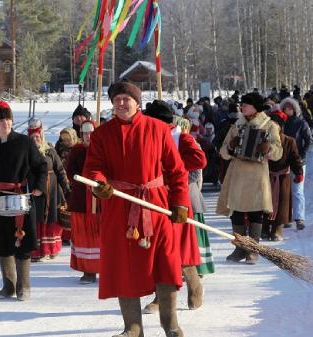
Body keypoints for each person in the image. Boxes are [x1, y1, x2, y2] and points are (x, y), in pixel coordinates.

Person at [84, 82, 189, 337]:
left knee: (165, 265)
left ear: (137, 102)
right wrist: (100, 185)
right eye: (117, 99)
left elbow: (176, 171)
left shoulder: (159, 129)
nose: (121, 103)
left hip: (156, 206)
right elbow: (93, 169)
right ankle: (132, 327)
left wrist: (180, 203)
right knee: (124, 267)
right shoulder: (101, 134)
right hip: (119, 207)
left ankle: (170, 323)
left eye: (126, 99)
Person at [0, 101, 47, 301]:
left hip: (20, 197)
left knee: (21, 242)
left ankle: (24, 287)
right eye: (1, 120)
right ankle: (8, 286)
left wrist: (39, 186)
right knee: (2, 244)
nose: (6, 123)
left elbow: (40, 165)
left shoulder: (24, 142)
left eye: (8, 119)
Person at [142, 100, 208, 314]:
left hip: (176, 197)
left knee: (178, 248)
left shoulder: (180, 137)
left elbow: (200, 160)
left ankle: (194, 286)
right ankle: (161, 296)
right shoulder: (146, 136)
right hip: (154, 197)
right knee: (159, 249)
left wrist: (173, 165)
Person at [216, 92, 283, 264]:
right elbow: (223, 152)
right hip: (237, 173)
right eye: (242, 104)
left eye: (245, 104)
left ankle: (253, 250)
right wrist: (230, 147)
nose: (242, 107)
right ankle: (239, 249)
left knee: (255, 212)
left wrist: (268, 149)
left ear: (255, 107)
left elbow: (278, 153)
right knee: (236, 212)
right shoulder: (236, 126)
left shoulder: (270, 126)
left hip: (257, 175)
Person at [28, 118, 70, 262]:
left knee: (50, 218)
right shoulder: (27, 152)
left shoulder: (50, 150)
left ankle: (49, 249)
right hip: (33, 190)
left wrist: (66, 188)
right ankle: (36, 251)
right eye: (32, 136)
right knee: (35, 219)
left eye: (37, 135)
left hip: (51, 191)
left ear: (42, 134)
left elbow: (60, 170)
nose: (35, 138)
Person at [67, 120, 101, 284]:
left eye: (91, 132)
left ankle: (105, 268)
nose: (88, 136)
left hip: (101, 201)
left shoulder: (103, 150)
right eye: (85, 133)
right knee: (84, 237)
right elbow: (70, 172)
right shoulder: (76, 151)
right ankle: (88, 271)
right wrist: (83, 181)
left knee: (101, 236)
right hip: (81, 200)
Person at [262, 111, 303, 241]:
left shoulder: (289, 141)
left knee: (281, 204)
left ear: (281, 126)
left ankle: (277, 229)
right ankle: (264, 228)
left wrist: (299, 173)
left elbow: (295, 159)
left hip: (282, 178)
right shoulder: (263, 141)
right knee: (264, 203)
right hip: (265, 177)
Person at [279, 97, 312, 230]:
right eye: (285, 108)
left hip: (298, 162)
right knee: (284, 191)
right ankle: (285, 218)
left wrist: (302, 155)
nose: (288, 110)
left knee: (297, 190)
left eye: (290, 108)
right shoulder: (280, 123)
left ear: (295, 109)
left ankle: (299, 218)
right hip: (282, 161)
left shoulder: (301, 123)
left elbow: (309, 140)